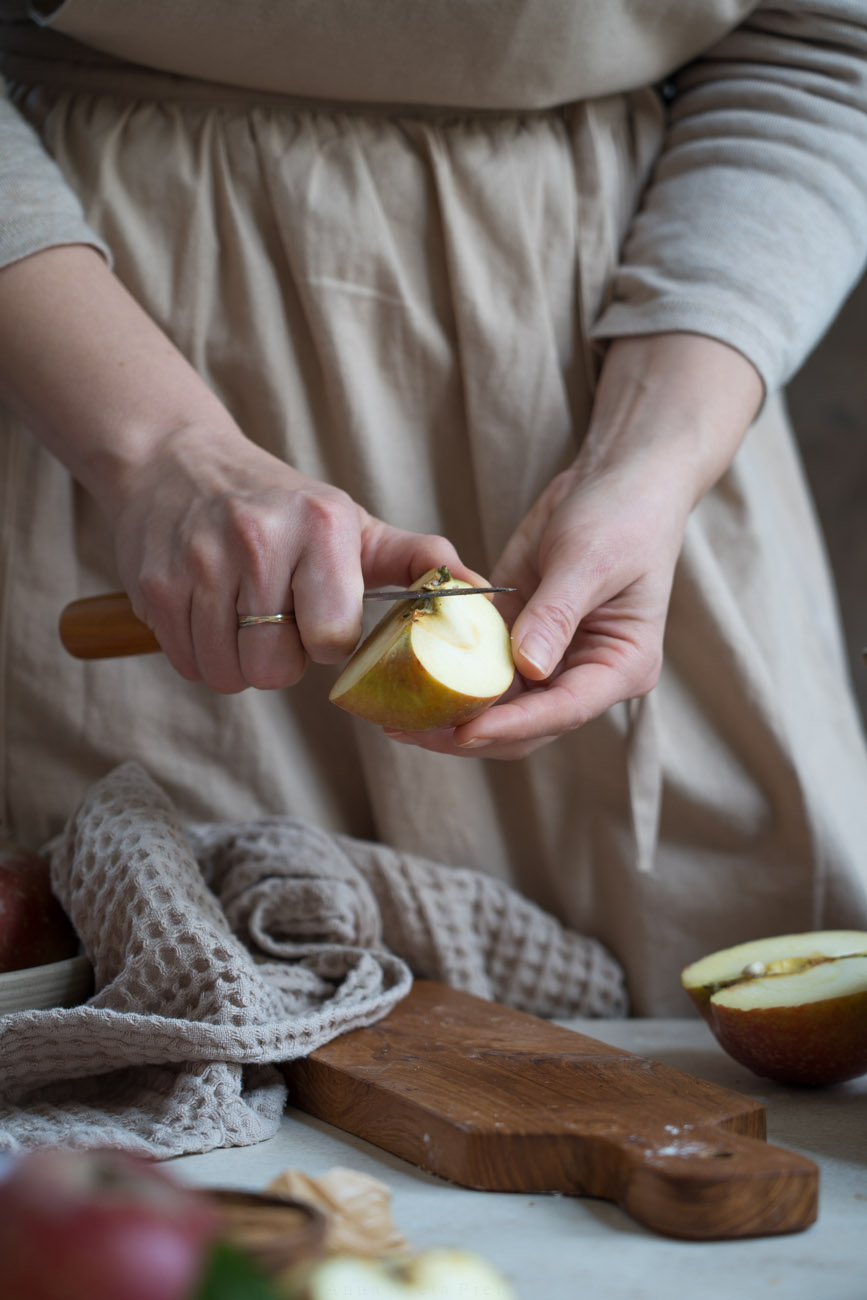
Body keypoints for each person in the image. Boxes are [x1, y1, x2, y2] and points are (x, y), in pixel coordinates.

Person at [1, 0, 866, 1014]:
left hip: (633, 356)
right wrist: (156, 447)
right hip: (82, 339)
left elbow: (826, 43)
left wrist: (653, 455)